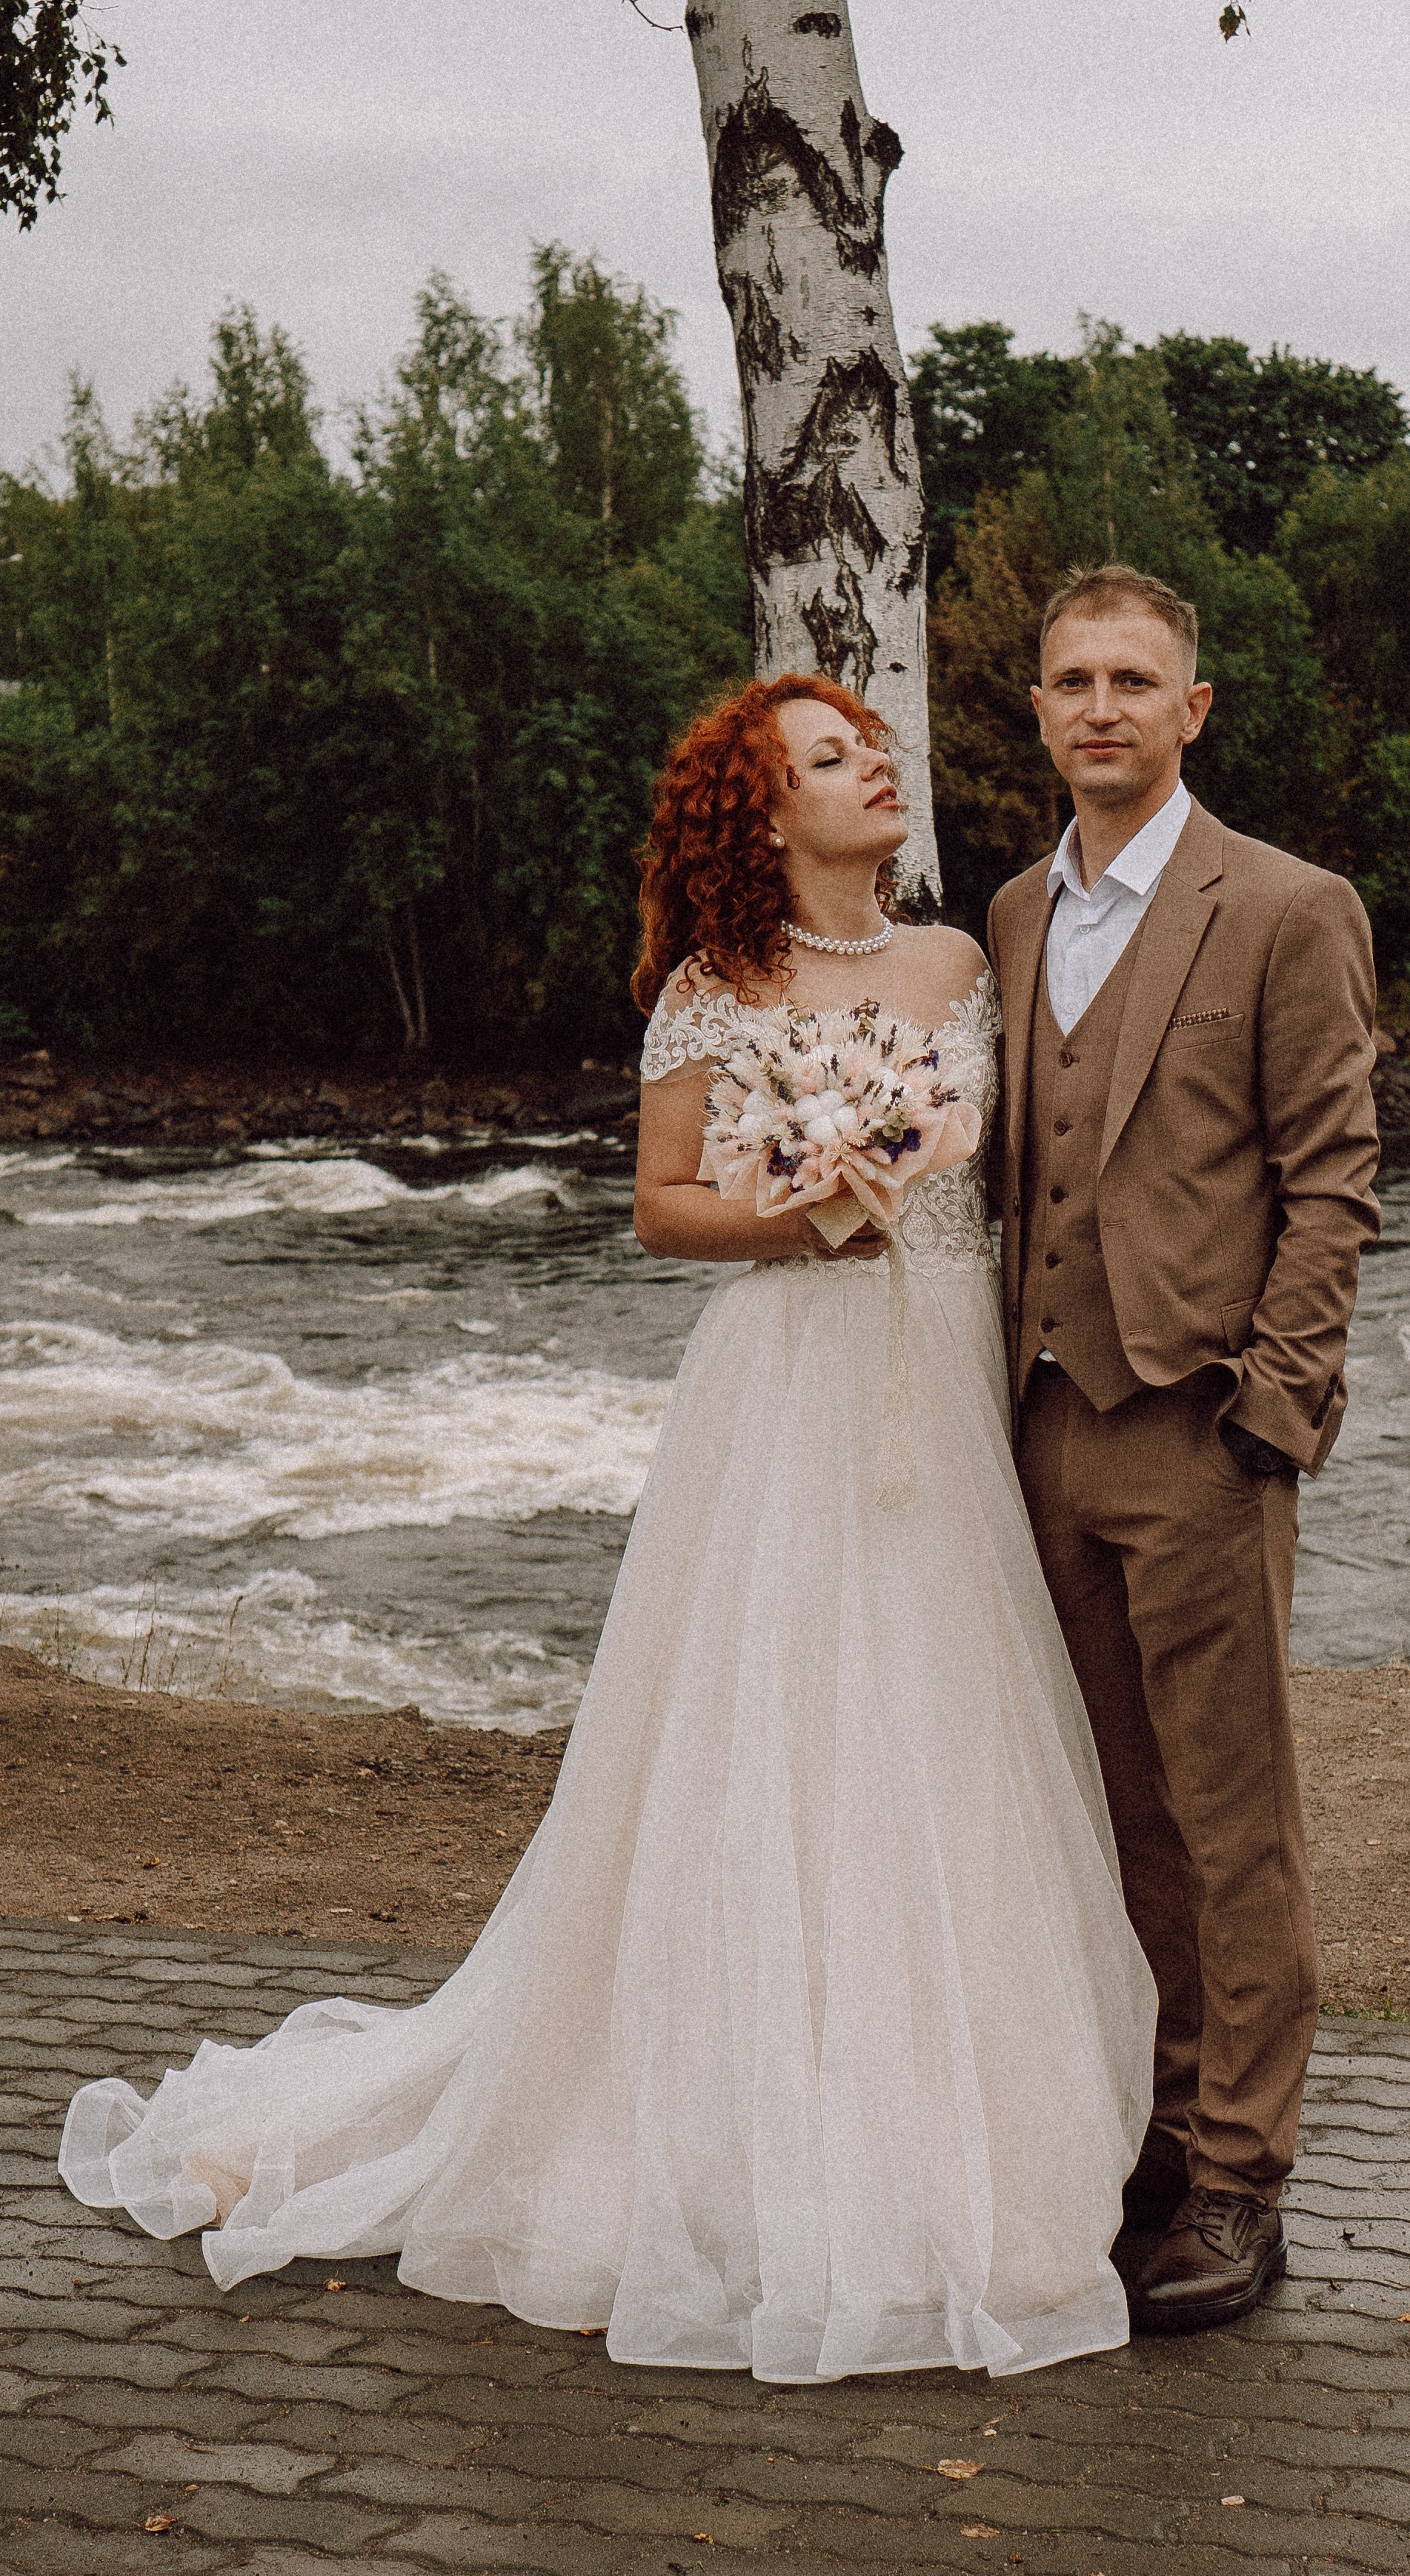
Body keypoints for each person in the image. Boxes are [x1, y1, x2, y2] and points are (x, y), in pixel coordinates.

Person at [59, 671, 1157, 2386]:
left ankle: (973, 2124)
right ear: (762, 811)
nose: (873, 767)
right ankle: (728, 2134)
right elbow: (659, 1208)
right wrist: (804, 1206)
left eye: (873, 746)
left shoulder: (959, 967)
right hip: (788, 1392)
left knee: (943, 1728)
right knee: (774, 1737)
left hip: (943, 1398)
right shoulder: (714, 995)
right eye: (828, 757)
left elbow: (1016, 1179)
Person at [987, 565, 1380, 2334]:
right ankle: (1154, 2129)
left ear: (1192, 709)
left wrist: (1271, 1418)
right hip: (1040, 1426)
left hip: (1200, 1430)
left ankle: (1242, 2177)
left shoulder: (1287, 908)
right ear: (1040, 707)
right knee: (1115, 1810)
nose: (1100, 707)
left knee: (1236, 1825)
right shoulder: (1007, 914)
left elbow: (1332, 1180)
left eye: (1133, 679)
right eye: (1071, 679)